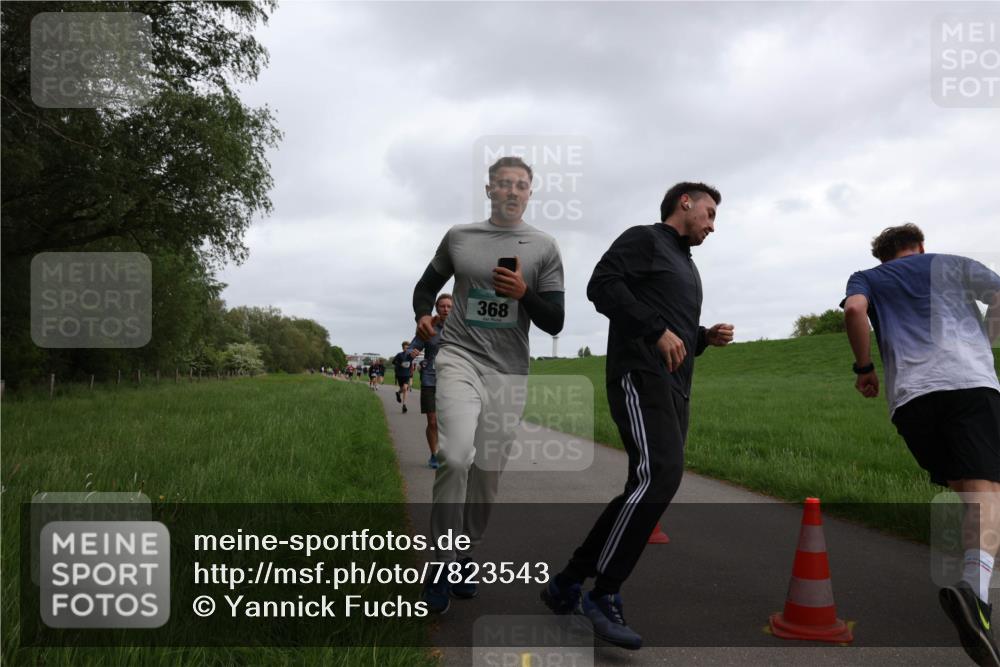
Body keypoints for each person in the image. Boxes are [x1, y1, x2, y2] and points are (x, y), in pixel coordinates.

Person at [541, 182, 733, 650]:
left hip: (675, 386)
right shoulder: (645, 238)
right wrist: (656, 330)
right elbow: (601, 285)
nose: (712, 226)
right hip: (639, 374)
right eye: (708, 214)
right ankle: (602, 593)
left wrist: (703, 336)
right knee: (661, 476)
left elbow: (673, 325)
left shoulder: (684, 263)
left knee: (644, 484)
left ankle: (567, 582)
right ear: (684, 203)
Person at [841, 223, 1000, 666]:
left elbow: (855, 311)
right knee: (989, 493)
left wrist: (864, 368)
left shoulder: (867, 278)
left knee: (973, 493)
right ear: (921, 247)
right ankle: (976, 595)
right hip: (969, 385)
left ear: (883, 256)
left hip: (911, 399)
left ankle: (977, 589)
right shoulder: (953, 264)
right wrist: (983, 341)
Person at [413, 156, 565, 614]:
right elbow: (426, 285)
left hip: (508, 370)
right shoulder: (460, 237)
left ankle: (464, 551)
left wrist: (524, 293)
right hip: (458, 356)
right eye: (504, 184)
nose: (512, 192)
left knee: (487, 473)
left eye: (521, 185)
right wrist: (422, 313)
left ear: (530, 193)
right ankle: (440, 564)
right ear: (489, 190)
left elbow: (555, 321)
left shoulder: (544, 246)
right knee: (456, 456)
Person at [406, 293, 453, 469]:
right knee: (432, 421)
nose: (446, 309)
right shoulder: (428, 327)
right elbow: (413, 346)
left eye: (449, 306)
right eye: (442, 306)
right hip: (430, 379)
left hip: (453, 380)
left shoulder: (460, 329)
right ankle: (434, 454)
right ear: (436, 308)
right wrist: (412, 352)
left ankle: (449, 452)